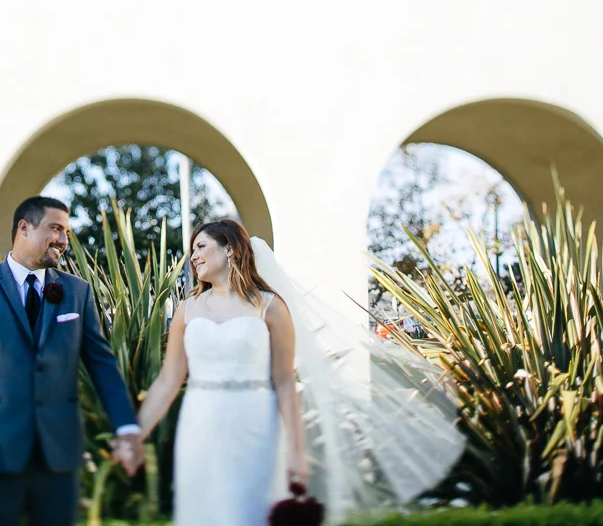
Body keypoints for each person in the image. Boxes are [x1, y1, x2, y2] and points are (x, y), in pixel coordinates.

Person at [135, 219, 465, 525]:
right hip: (199, 424)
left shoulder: (269, 306)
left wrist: (296, 451)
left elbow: (284, 381)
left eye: (201, 246)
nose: (193, 256)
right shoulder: (188, 309)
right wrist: (134, 434)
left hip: (255, 424)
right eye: (192, 250)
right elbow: (168, 380)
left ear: (230, 249)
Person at [0, 196, 144, 526]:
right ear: (24, 228)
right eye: (55, 229)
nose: (63, 240)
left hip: (59, 454)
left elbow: (102, 364)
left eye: (66, 232)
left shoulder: (77, 292)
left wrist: (126, 428)